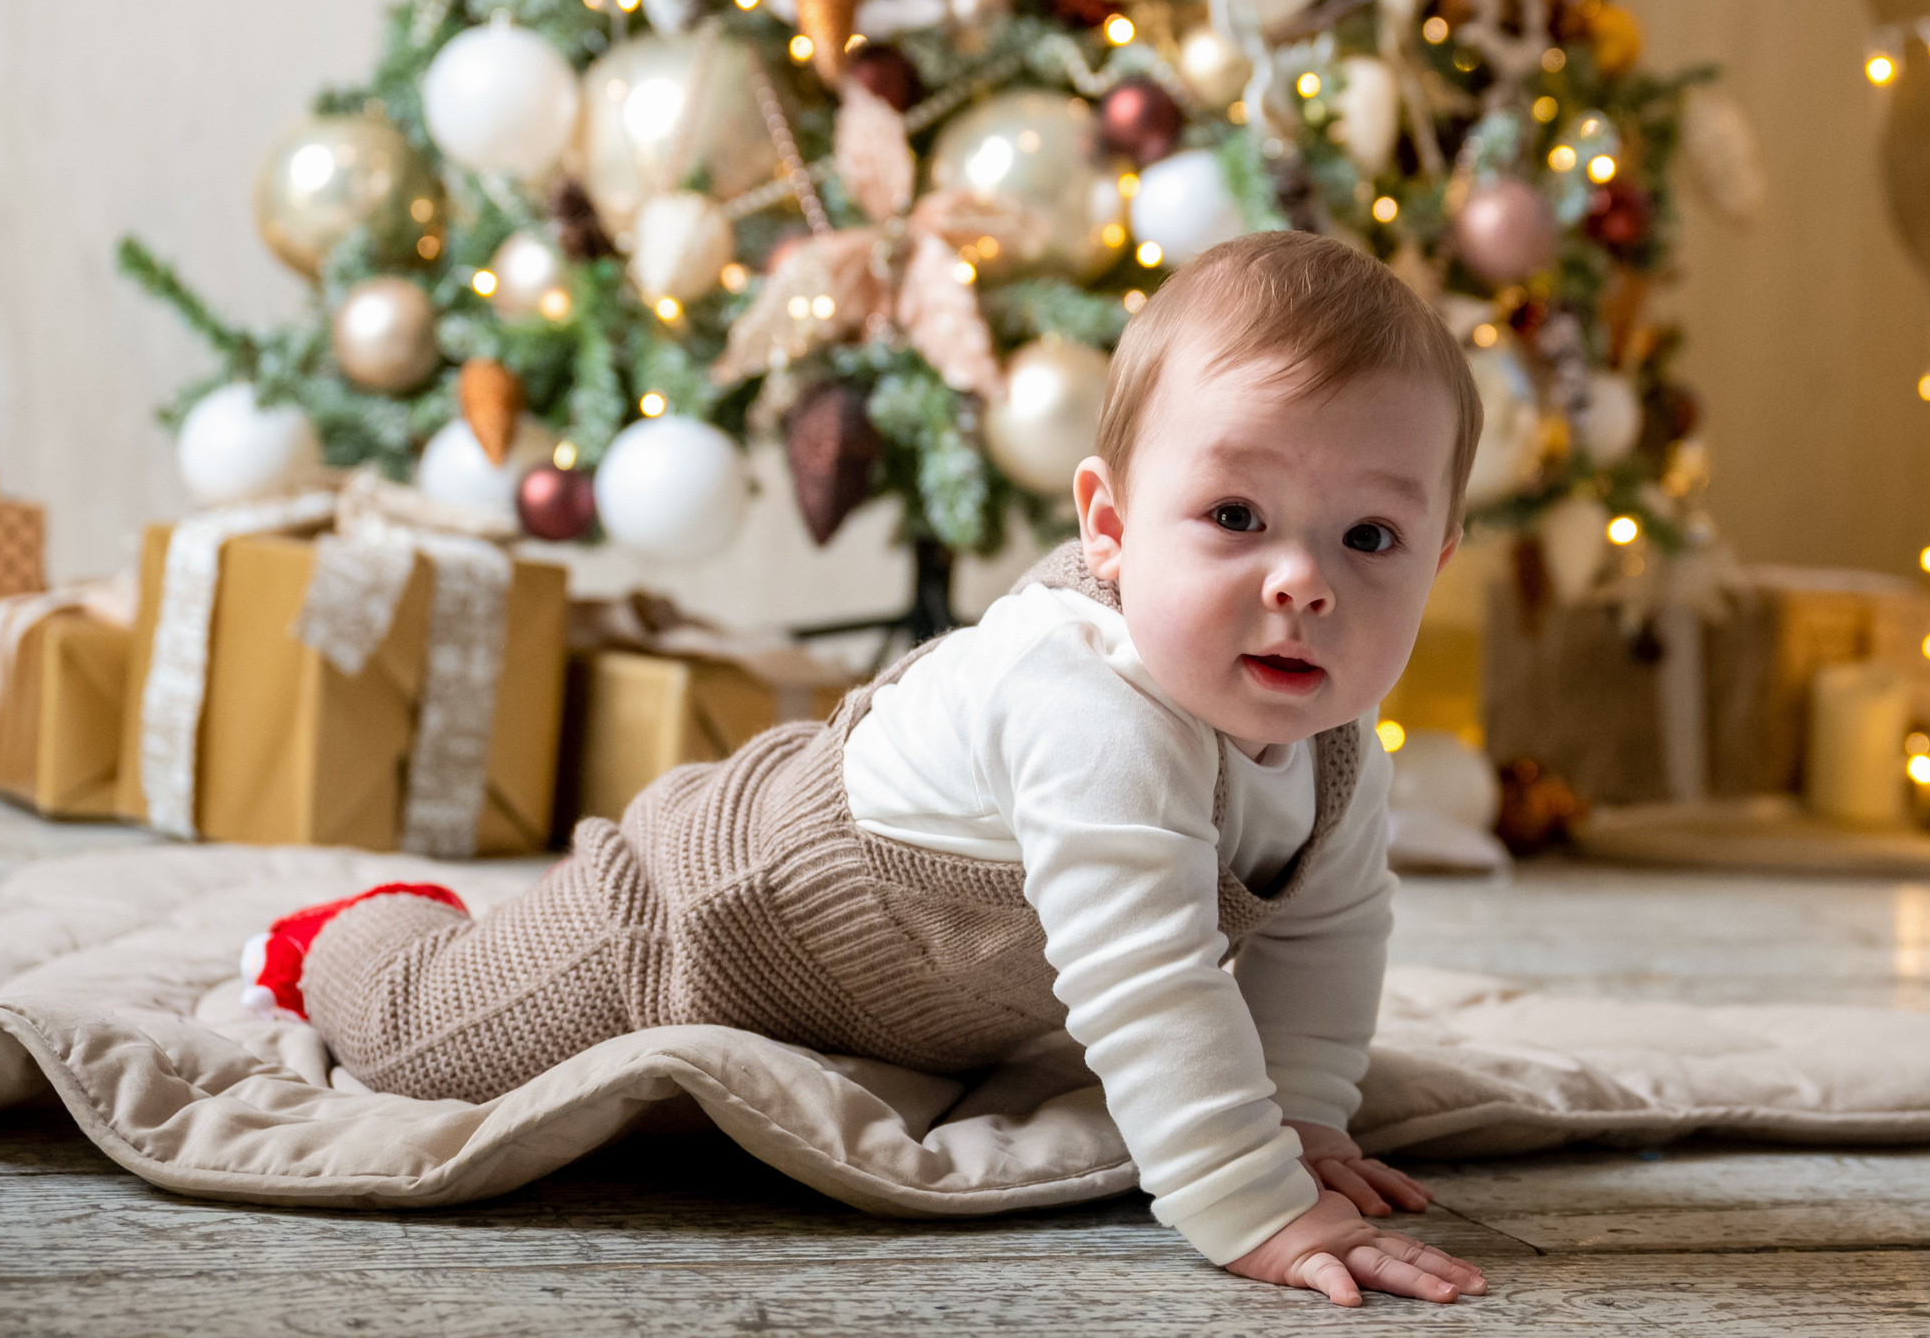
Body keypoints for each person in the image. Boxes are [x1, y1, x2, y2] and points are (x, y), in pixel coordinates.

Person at [245, 230, 1487, 1309]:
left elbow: (1327, 940)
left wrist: (1303, 1116)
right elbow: (1150, 983)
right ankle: (348, 929)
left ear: (1433, 565)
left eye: (1369, 537)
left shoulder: (1330, 750)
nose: (1302, 582)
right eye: (1234, 516)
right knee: (427, 1043)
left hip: (909, 995)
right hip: (703, 914)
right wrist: (1253, 1204)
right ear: (1106, 530)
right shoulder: (1089, 711)